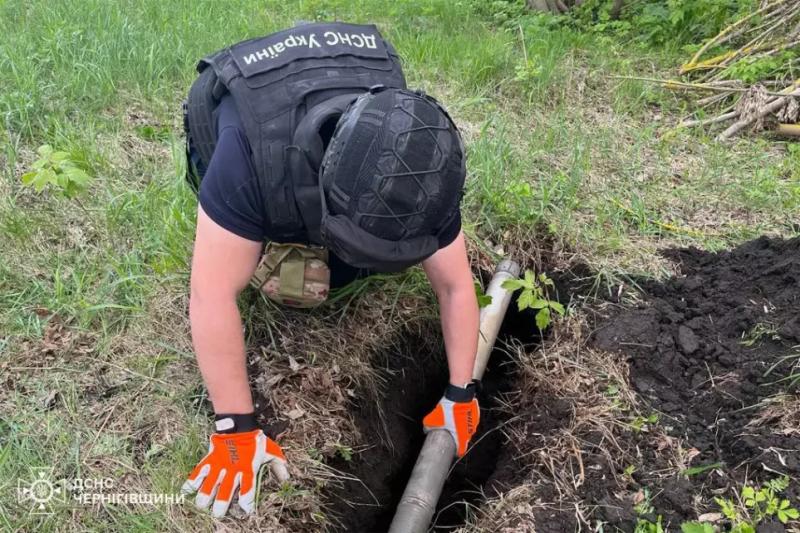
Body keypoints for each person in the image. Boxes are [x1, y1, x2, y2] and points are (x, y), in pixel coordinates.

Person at [179, 21, 480, 518]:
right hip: (240, 117)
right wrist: (235, 426)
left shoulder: (422, 165)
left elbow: (453, 284)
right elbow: (210, 294)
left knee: (345, 272)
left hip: (341, 103)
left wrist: (460, 392)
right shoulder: (247, 159)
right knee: (294, 284)